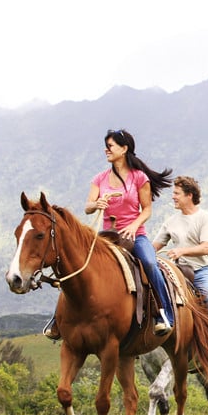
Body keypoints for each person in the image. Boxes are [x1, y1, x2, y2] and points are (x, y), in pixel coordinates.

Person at [44, 128, 175, 340]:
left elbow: (147, 210)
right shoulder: (99, 178)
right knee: (78, 264)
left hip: (135, 235)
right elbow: (87, 207)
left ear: (124, 149)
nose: (106, 150)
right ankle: (57, 318)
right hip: (107, 235)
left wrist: (133, 225)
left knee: (150, 263)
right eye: (106, 146)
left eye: (111, 146)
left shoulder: (139, 178)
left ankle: (164, 314)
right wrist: (97, 204)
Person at [152, 176, 208, 327]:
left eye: (177, 193)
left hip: (201, 270)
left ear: (189, 195)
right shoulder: (170, 221)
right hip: (178, 270)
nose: (173, 197)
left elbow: (205, 247)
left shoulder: (205, 218)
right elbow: (155, 247)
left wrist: (181, 251)